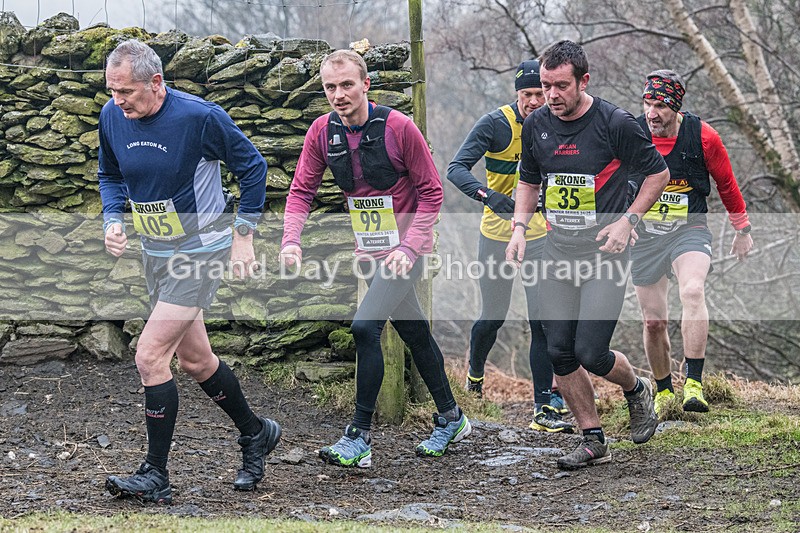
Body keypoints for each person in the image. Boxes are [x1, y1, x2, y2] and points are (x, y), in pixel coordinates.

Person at [98, 40, 280, 503]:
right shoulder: (111, 116)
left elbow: (253, 168)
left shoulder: (199, 117)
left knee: (149, 355)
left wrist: (244, 234)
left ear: (156, 82)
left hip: (201, 251)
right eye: (113, 91)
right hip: (155, 252)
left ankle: (155, 474)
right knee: (196, 360)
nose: (119, 102)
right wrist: (113, 220)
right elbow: (110, 175)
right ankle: (256, 433)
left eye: (128, 93)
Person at [280, 49, 470, 468]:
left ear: (366, 84)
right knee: (416, 334)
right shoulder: (321, 132)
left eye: (347, 84)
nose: (338, 94)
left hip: (406, 254)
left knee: (365, 328)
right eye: (330, 87)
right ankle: (452, 417)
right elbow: (300, 191)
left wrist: (408, 247)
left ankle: (359, 436)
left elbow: (433, 191)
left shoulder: (399, 128)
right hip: (368, 251)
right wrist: (291, 240)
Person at [506, 40, 670, 469]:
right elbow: (528, 181)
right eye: (546, 85)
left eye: (561, 85)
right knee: (558, 350)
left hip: (605, 255)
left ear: (584, 80)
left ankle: (637, 389)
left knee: (590, 353)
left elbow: (659, 174)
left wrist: (627, 221)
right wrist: (520, 229)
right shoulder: (536, 123)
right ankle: (592, 437)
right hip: (557, 252)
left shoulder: (615, 122)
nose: (552, 95)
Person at [446, 59, 572, 433]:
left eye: (540, 93)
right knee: (493, 316)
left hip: (541, 236)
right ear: (517, 94)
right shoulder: (496, 123)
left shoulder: (557, 123)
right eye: (527, 94)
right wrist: (488, 196)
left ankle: (543, 404)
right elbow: (456, 168)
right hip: (497, 236)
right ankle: (475, 376)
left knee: (542, 321)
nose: (535, 101)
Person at [631, 69, 753, 416]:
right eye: (647, 103)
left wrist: (741, 229)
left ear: (676, 107)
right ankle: (664, 389)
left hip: (689, 230)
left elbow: (727, 184)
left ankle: (695, 385)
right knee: (653, 322)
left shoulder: (703, 136)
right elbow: (610, 177)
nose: (652, 113)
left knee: (693, 292)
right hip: (646, 235)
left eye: (660, 105)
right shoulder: (634, 133)